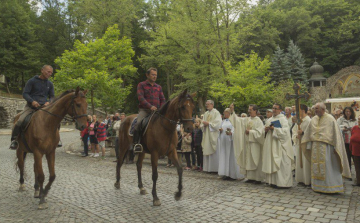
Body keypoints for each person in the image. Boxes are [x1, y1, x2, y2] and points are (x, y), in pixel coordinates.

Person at [301, 102, 351, 193]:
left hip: (327, 147)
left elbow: (336, 134)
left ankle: (330, 187)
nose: (315, 111)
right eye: (315, 109)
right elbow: (309, 133)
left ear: (323, 109)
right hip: (315, 147)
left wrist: (337, 147)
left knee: (329, 167)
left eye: (317, 109)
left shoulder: (330, 119)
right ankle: (317, 187)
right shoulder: (313, 119)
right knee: (316, 166)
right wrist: (307, 142)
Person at [9, 65, 55, 149]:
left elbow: (52, 96)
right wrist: (32, 101)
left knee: (55, 121)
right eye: (48, 71)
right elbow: (25, 94)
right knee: (20, 120)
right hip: (31, 107)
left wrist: (49, 102)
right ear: (42, 70)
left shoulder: (50, 84)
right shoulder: (31, 81)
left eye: (51, 72)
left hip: (45, 108)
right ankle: (14, 140)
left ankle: (56, 140)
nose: (50, 74)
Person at [132, 68, 166, 153]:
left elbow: (163, 99)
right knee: (138, 123)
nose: (154, 77)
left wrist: (161, 109)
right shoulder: (141, 85)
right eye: (153, 75)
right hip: (145, 110)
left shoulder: (159, 87)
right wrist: (150, 106)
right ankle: (136, 144)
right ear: (147, 75)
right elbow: (141, 98)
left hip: (157, 112)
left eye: (156, 75)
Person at [229, 104, 264, 183]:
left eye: (250, 110)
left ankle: (257, 178)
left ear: (255, 110)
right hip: (247, 144)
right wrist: (232, 111)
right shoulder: (247, 119)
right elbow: (237, 121)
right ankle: (250, 177)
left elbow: (260, 133)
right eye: (248, 110)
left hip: (254, 144)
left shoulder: (258, 121)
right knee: (247, 160)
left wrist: (250, 132)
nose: (249, 111)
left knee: (255, 159)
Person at [262, 103, 294, 188]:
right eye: (273, 108)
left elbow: (286, 132)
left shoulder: (283, 120)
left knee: (281, 163)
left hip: (280, 145)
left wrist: (274, 129)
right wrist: (265, 130)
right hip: (271, 144)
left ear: (280, 110)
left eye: (276, 108)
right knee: (272, 162)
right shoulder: (269, 120)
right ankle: (273, 182)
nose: (274, 110)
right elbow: (264, 131)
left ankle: (282, 183)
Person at [292, 104, 311, 186]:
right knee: (299, 161)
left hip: (306, 145)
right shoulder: (299, 121)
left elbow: (312, 133)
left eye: (297, 111)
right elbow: (294, 131)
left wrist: (303, 133)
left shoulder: (308, 121)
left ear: (303, 111)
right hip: (299, 144)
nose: (296, 113)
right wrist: (296, 135)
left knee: (306, 162)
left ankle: (307, 180)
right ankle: (301, 179)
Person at [201, 100, 222, 173]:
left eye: (208, 104)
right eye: (206, 104)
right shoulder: (206, 113)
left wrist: (209, 124)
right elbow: (202, 123)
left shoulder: (216, 113)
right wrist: (203, 124)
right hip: (206, 134)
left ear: (212, 104)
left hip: (213, 135)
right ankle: (207, 168)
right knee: (206, 149)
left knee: (214, 152)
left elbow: (218, 123)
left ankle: (214, 169)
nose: (206, 105)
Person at [337, 107, 357, 172]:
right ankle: (348, 172)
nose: (348, 113)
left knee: (355, 157)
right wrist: (343, 129)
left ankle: (357, 173)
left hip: (353, 142)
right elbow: (337, 127)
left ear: (351, 112)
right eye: (346, 111)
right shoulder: (340, 120)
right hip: (344, 141)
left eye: (349, 111)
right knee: (347, 157)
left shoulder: (355, 120)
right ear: (344, 112)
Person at [350, 115, 360, 186]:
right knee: (357, 167)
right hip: (355, 151)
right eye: (359, 119)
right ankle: (358, 181)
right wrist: (351, 148)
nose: (359, 121)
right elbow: (351, 138)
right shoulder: (354, 128)